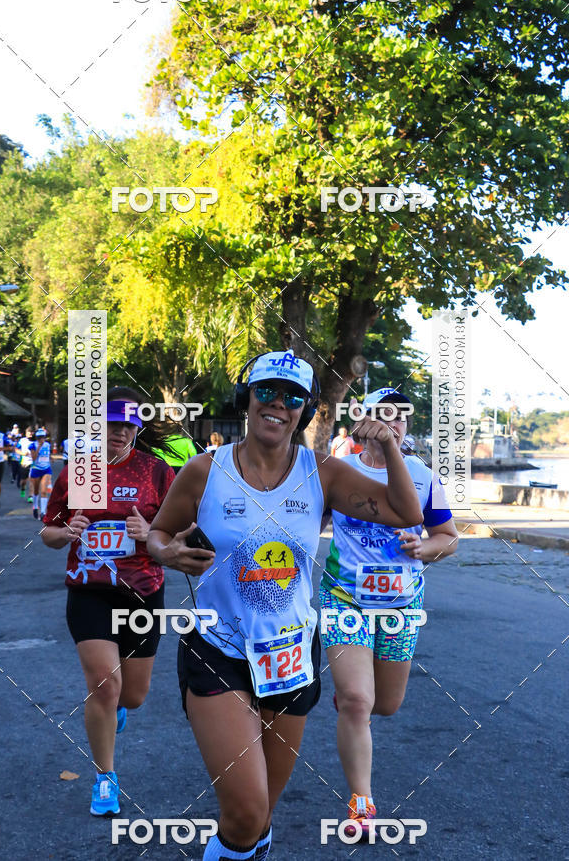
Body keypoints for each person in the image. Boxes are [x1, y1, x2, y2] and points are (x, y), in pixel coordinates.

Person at [147, 351, 422, 861]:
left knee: (260, 815)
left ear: (306, 410)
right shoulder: (204, 470)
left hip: (290, 657)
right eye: (266, 391)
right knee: (246, 811)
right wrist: (169, 552)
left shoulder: (323, 472)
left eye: (294, 396)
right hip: (218, 648)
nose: (279, 404)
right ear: (246, 398)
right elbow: (159, 534)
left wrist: (387, 442)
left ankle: (252, 849)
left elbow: (407, 511)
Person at [319, 388, 458, 836]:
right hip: (345, 598)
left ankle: (353, 696)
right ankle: (361, 802)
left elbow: (448, 536)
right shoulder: (341, 472)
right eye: (383, 415)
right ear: (362, 422)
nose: (392, 424)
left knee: (387, 704)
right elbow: (308, 521)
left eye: (400, 418)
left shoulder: (421, 476)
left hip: (400, 603)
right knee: (359, 702)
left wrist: (425, 547)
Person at [41, 388, 174, 816]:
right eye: (109, 424)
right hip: (89, 589)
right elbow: (48, 533)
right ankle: (105, 777)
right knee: (104, 683)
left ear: (137, 428)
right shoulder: (75, 473)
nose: (117, 432)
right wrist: (67, 532)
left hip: (142, 592)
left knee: (131, 696)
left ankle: (115, 711)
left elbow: (177, 533)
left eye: (125, 425)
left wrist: (149, 531)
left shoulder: (157, 471)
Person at [29, 428, 53, 520]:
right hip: (36, 469)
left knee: (43, 491)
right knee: (36, 491)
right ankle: (35, 506)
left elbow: (47, 454)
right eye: (39, 438)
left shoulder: (47, 444)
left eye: (42, 437)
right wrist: (39, 447)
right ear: (36, 438)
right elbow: (34, 458)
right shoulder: (32, 445)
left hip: (46, 469)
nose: (41, 439)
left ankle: (43, 512)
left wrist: (51, 458)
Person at [18, 427, 34, 497]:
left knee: (32, 480)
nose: (30, 433)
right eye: (29, 432)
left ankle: (30, 496)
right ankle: (23, 488)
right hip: (24, 463)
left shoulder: (36, 441)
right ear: (26, 433)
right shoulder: (22, 440)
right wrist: (22, 453)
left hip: (34, 463)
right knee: (23, 481)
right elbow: (16, 449)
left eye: (32, 432)